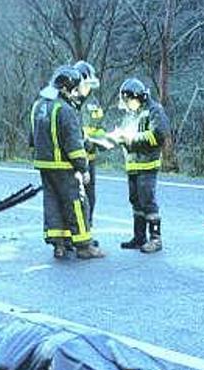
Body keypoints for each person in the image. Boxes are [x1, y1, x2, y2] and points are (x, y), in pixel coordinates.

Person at [30, 66, 105, 260]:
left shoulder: (38, 106)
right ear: (66, 88)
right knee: (77, 203)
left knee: (52, 203)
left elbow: (32, 139)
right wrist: (83, 167)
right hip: (65, 167)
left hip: (44, 165)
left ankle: (59, 245)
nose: (76, 94)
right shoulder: (65, 110)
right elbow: (74, 145)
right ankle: (83, 246)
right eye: (74, 89)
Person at [108, 78, 170, 253]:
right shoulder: (133, 113)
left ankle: (156, 239)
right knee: (135, 201)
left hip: (147, 165)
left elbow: (159, 135)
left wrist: (132, 140)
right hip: (133, 165)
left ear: (137, 96)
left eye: (128, 101)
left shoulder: (154, 110)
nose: (127, 105)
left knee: (147, 201)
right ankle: (139, 237)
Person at [74, 60, 106, 227]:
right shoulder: (69, 102)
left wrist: (100, 140)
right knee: (73, 197)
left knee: (89, 195)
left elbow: (100, 128)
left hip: (89, 157)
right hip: (72, 158)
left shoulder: (93, 103)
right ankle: (74, 233)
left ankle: (87, 227)